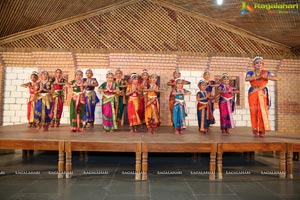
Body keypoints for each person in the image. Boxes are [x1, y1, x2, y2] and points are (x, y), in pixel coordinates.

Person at [245, 56, 277, 137]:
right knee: (254, 112)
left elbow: (276, 78)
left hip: (263, 92)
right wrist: (259, 76)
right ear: (254, 64)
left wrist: (265, 76)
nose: (259, 64)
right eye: (257, 63)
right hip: (253, 92)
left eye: (260, 63)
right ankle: (255, 129)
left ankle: (262, 130)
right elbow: (246, 79)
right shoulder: (250, 72)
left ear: (263, 64)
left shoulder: (266, 72)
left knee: (263, 111)